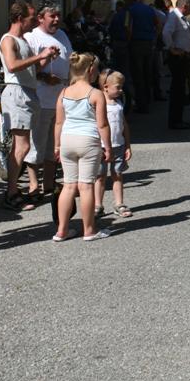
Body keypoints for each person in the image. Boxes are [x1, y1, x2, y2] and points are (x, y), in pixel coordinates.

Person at [0, 2, 57, 210]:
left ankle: (14, 190)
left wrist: (45, 57)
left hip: (27, 92)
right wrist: (39, 56)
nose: (33, 22)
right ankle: (11, 192)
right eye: (31, 18)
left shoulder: (22, 40)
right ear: (19, 18)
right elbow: (12, 65)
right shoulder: (8, 40)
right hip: (16, 92)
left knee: (23, 145)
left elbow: (31, 68)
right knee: (22, 146)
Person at [52, 52, 112, 242]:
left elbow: (59, 123)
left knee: (68, 186)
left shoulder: (63, 93)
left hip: (67, 140)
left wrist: (56, 145)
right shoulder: (96, 94)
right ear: (91, 70)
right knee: (86, 186)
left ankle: (61, 230)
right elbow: (102, 124)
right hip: (88, 140)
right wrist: (108, 146)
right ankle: (89, 230)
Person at [24, 2, 72, 201]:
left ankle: (49, 183)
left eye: (58, 15)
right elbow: (26, 70)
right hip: (41, 98)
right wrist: (44, 77)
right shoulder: (31, 37)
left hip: (61, 99)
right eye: (52, 16)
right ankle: (33, 184)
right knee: (37, 142)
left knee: (55, 144)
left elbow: (70, 60)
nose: (57, 19)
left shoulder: (62, 35)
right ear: (40, 18)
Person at [95, 69, 133, 219]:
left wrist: (128, 145)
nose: (121, 90)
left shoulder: (118, 103)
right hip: (102, 147)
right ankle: (98, 205)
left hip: (119, 145)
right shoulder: (99, 104)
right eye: (118, 87)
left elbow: (124, 125)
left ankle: (119, 203)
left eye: (121, 86)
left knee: (117, 175)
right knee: (100, 176)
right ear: (105, 87)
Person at [162, 0, 190, 130]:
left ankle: (177, 119)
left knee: (179, 89)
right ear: (185, 6)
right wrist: (172, 48)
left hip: (182, 56)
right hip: (177, 58)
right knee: (178, 90)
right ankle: (175, 121)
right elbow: (165, 33)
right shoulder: (174, 17)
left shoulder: (179, 17)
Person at [126, 0, 159, 113]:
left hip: (136, 43)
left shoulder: (130, 10)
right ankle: (148, 99)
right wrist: (154, 37)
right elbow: (158, 24)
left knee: (137, 74)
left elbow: (128, 28)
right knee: (147, 72)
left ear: (130, 0)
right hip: (148, 43)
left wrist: (128, 41)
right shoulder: (150, 9)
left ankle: (141, 104)